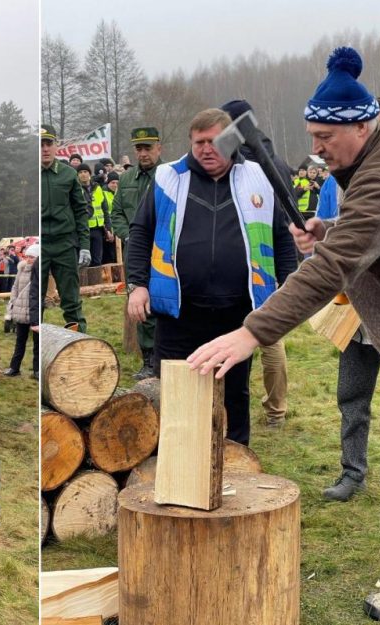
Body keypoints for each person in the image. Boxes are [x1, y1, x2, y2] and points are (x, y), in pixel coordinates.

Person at [187, 46, 380, 621]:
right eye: (310, 135)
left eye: (323, 137)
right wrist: (330, 228)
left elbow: (330, 270)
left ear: (361, 126)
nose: (315, 148)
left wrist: (250, 334)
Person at [126, 108, 296, 445]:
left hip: (238, 310)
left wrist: (289, 286)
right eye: (199, 142)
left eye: (214, 141)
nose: (206, 148)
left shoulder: (259, 177)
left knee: (234, 391)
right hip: (179, 310)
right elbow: (140, 232)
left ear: (230, 140)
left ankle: (235, 456)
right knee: (175, 389)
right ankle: (176, 457)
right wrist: (137, 284)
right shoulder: (167, 177)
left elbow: (282, 236)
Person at [312, 95, 380, 502]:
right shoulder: (334, 182)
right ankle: (352, 473)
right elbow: (327, 241)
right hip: (354, 309)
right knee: (352, 395)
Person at [219, 99, 297, 429]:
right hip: (276, 255)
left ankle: (234, 408)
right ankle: (276, 411)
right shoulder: (277, 160)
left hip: (248, 255)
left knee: (247, 334)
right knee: (270, 334)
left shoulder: (243, 163)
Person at [111, 127, 163, 379]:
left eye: (148, 148)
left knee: (163, 300)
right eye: (139, 149)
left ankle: (167, 354)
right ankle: (148, 359)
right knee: (140, 303)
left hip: (164, 250)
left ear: (158, 148)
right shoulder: (126, 179)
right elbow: (117, 212)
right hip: (136, 251)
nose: (143, 154)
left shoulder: (169, 175)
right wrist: (130, 235)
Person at [40, 124, 89, 331]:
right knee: (35, 302)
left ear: (56, 146)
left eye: (48, 143)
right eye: (40, 144)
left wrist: (85, 245)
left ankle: (80, 345)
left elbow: (80, 211)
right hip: (40, 247)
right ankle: (37, 356)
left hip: (64, 245)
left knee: (71, 301)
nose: (44, 148)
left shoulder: (69, 175)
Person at [2, 243, 39, 378]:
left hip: (34, 310)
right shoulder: (21, 270)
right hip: (20, 310)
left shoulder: (39, 272)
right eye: (27, 256)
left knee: (37, 343)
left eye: (32, 257)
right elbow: (15, 288)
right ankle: (14, 367)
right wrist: (12, 303)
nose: (28, 259)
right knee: (20, 341)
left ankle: (37, 370)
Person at [76, 163, 112, 267]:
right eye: (80, 172)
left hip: (97, 229)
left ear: (90, 174)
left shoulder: (98, 188)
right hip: (83, 230)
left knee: (97, 261)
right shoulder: (76, 189)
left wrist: (108, 228)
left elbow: (105, 210)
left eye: (85, 172)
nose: (83, 174)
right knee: (84, 261)